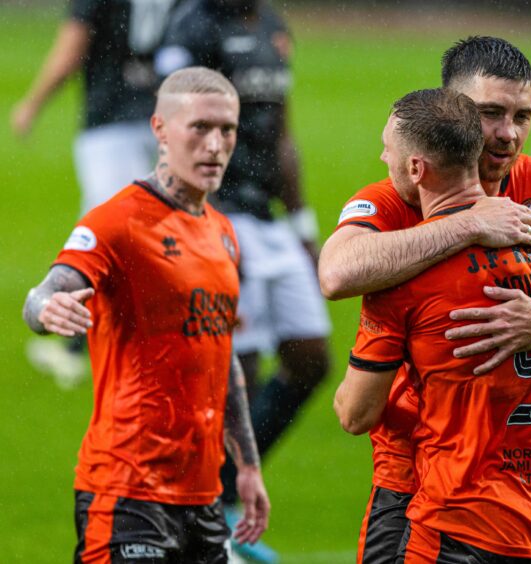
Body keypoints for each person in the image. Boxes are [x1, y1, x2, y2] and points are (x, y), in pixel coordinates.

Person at [319, 37, 531, 562]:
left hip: (514, 491)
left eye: (523, 115)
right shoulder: (399, 194)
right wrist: (472, 223)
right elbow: (339, 272)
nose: (509, 134)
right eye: (490, 114)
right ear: (451, 109)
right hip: (414, 477)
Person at [336, 87, 531, 561]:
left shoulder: (403, 273)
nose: (380, 157)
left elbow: (355, 415)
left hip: (458, 519)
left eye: (387, 149)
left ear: (417, 168)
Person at [22, 67, 269, 562]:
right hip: (126, 491)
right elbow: (45, 292)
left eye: (227, 129)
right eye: (199, 128)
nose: (216, 145)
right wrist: (49, 307)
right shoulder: (118, 222)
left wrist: (247, 465)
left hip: (201, 499)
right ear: (160, 129)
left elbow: (223, 356)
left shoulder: (223, 233)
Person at [155, 3, 330, 560]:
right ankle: (209, 516)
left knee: (310, 357)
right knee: (239, 370)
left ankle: (222, 497)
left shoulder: (275, 26)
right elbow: (173, 133)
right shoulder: (194, 26)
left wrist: (303, 226)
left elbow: (282, 130)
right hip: (222, 212)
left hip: (269, 218)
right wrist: (205, 226)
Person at [11, 0, 180, 388]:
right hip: (163, 122)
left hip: (110, 121)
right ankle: (139, 335)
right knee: (148, 232)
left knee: (105, 238)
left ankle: (94, 343)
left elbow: (73, 46)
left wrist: (33, 103)